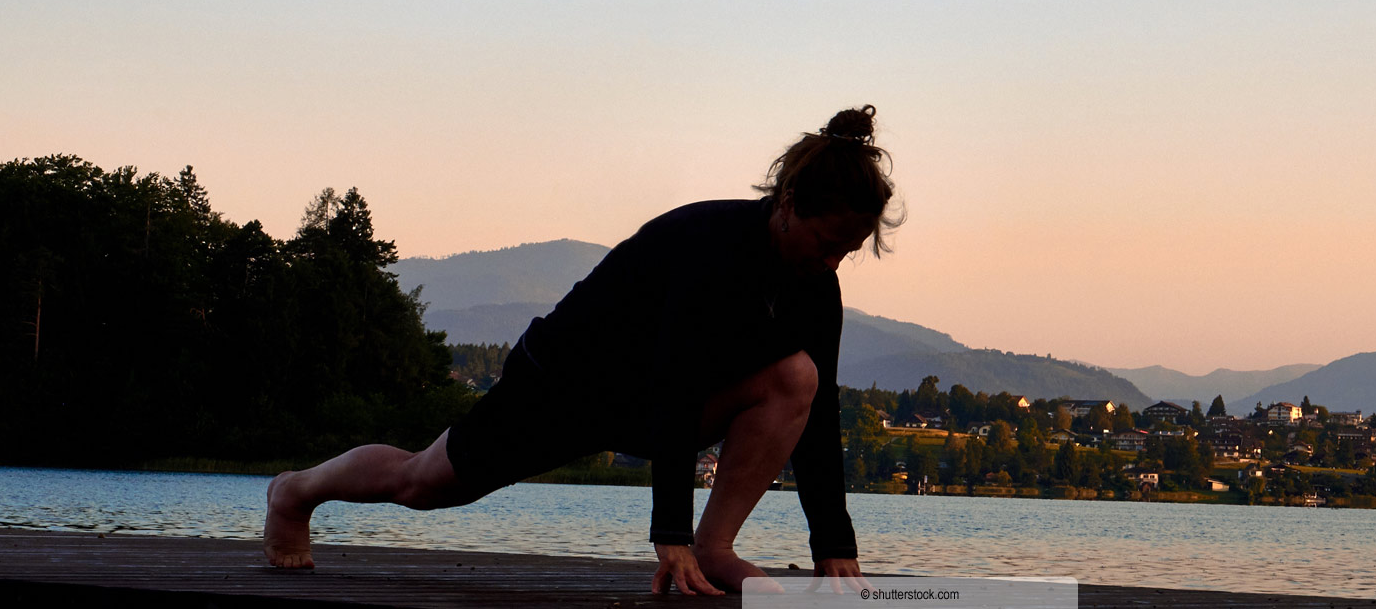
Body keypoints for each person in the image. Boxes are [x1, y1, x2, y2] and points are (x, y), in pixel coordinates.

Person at [263, 106, 900, 595]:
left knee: (798, 378)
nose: (832, 260)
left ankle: (716, 548)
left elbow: (816, 422)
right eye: (827, 239)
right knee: (423, 482)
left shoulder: (816, 288)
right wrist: (666, 537)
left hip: (647, 406)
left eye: (847, 250)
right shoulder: (709, 247)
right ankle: (295, 491)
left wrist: (833, 549)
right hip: (561, 386)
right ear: (789, 203)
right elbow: (677, 383)